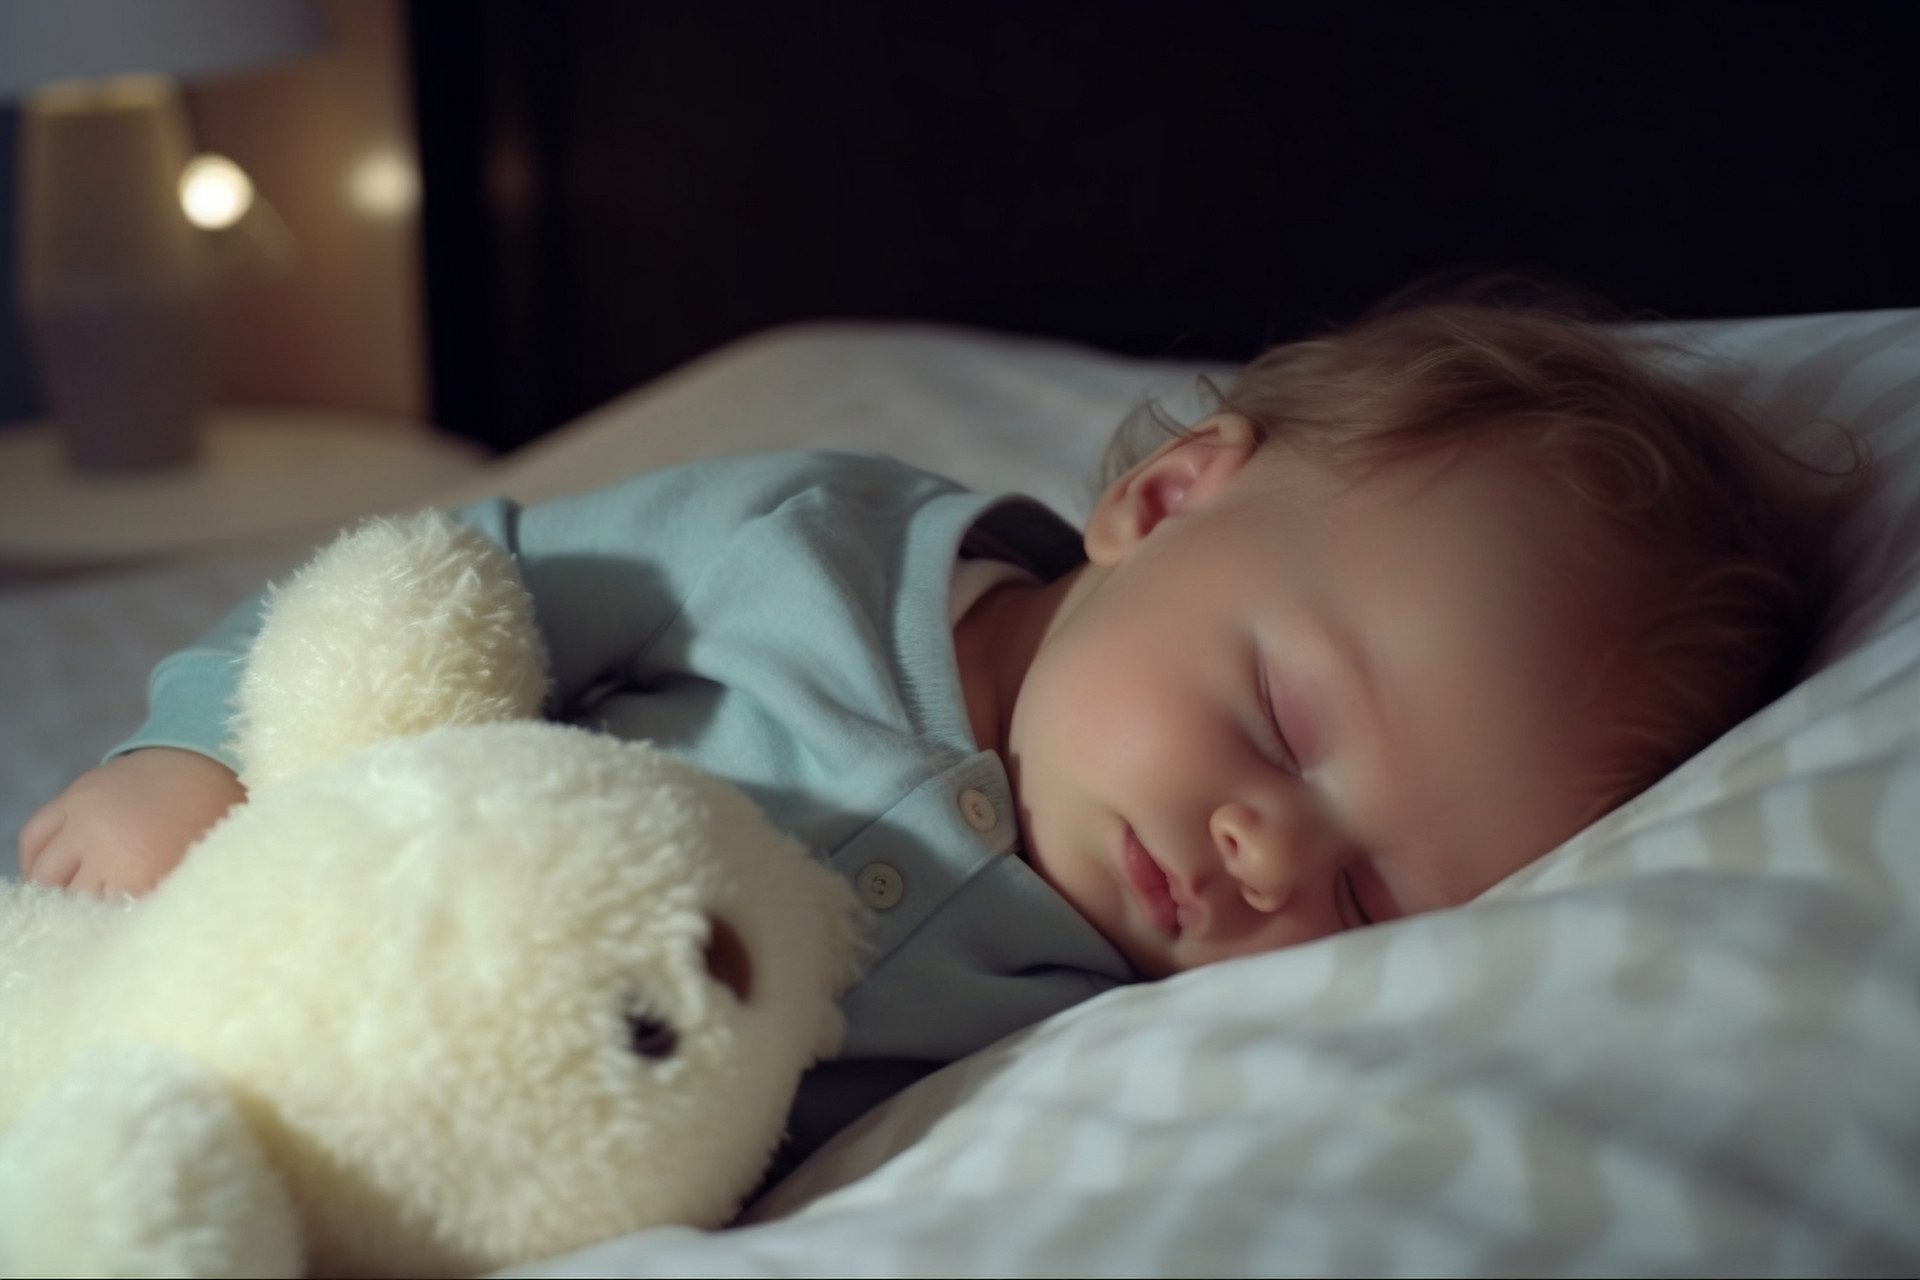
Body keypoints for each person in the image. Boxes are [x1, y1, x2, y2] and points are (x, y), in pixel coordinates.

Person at [16, 292, 1851, 1164]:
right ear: (1170, 500)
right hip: (236, 921)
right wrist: (197, 754)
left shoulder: (1084, 1021)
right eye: (1284, 721)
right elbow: (427, 590)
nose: (1270, 855)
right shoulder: (798, 550)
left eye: (1368, 897)